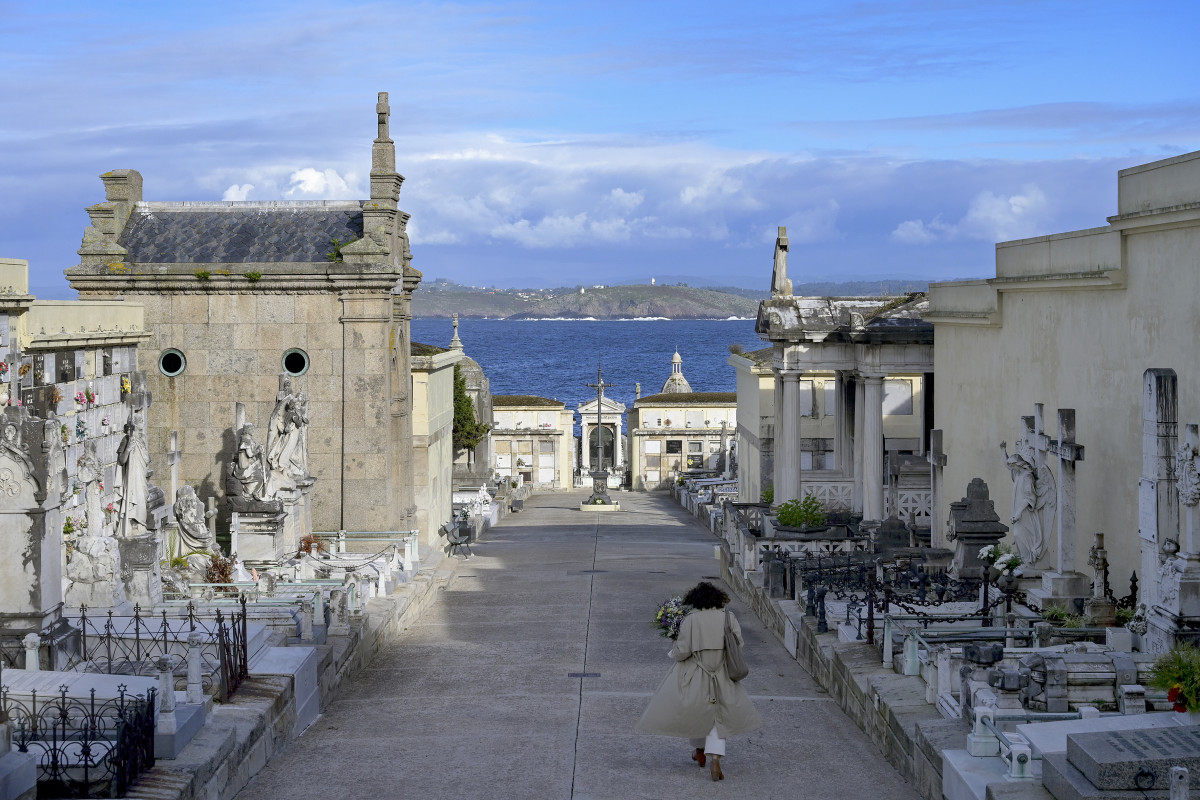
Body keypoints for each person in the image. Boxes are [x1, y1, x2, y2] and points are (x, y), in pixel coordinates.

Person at [636, 581, 762, 781]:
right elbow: (739, 645)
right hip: (722, 673)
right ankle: (715, 760)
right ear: (718, 598)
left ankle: (700, 751)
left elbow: (682, 652)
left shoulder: (691, 619)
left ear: (694, 599)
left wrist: (673, 647)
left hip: (696, 672)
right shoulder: (728, 618)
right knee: (718, 717)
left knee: (697, 711)